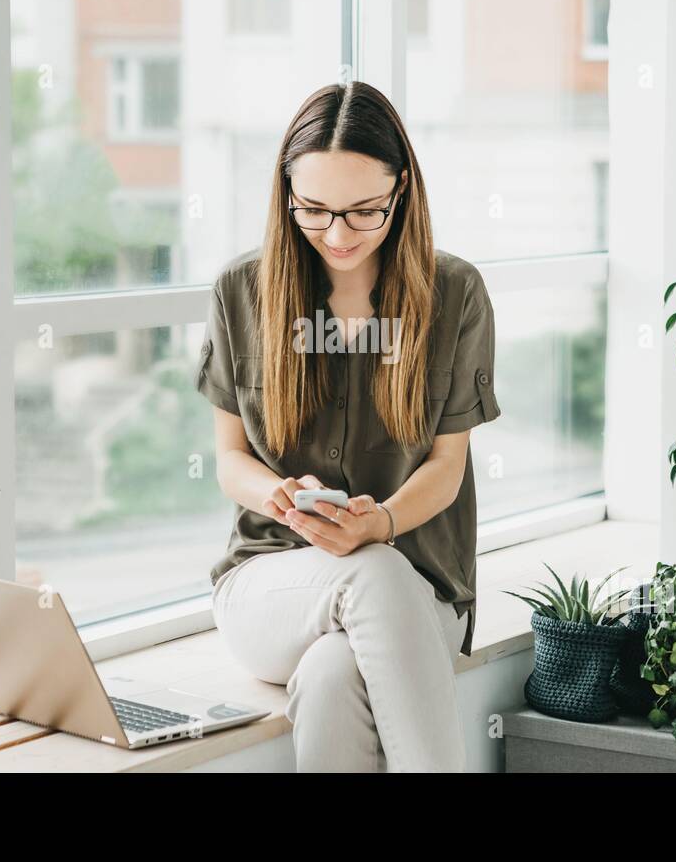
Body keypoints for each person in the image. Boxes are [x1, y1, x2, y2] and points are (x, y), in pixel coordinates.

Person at [194, 80, 500, 772]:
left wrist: (381, 523)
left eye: (365, 212)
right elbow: (228, 460)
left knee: (334, 674)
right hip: (272, 588)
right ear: (286, 194)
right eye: (315, 211)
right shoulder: (239, 291)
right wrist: (275, 494)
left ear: (403, 192)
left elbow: (446, 467)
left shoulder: (456, 295)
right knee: (369, 578)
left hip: (422, 589)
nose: (338, 235)